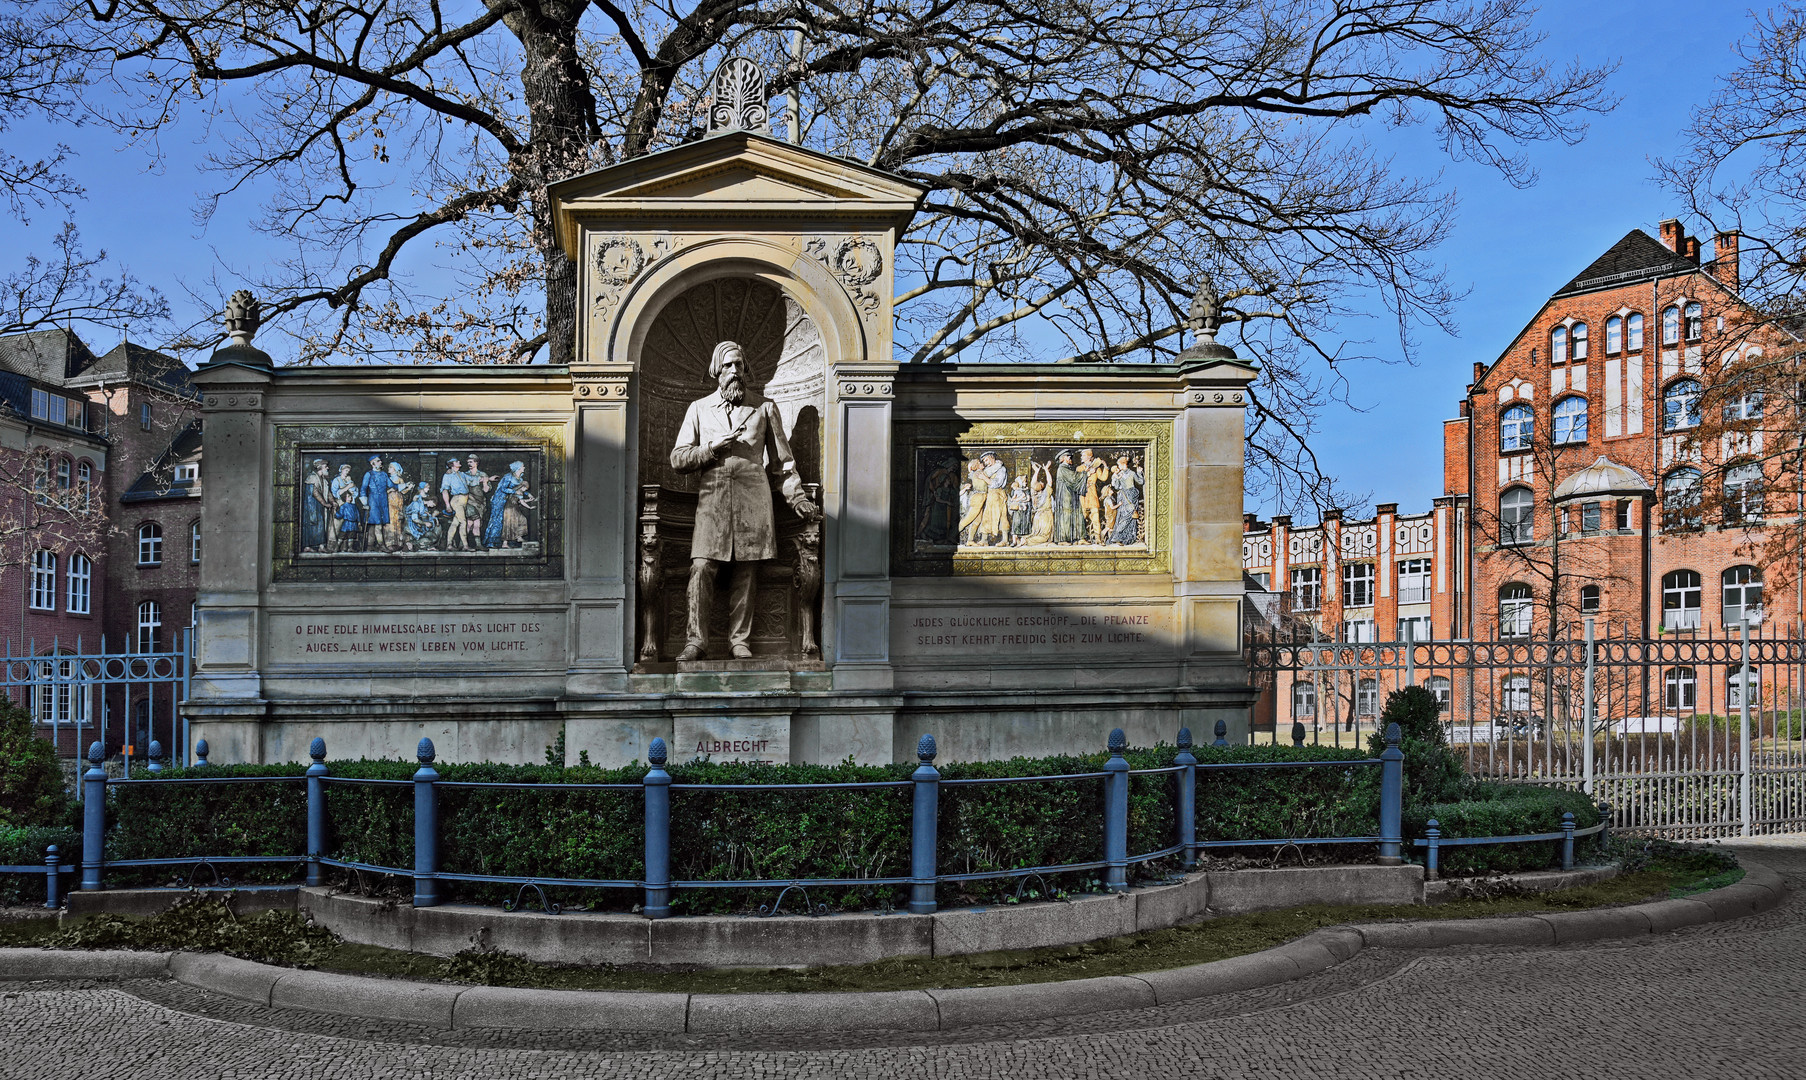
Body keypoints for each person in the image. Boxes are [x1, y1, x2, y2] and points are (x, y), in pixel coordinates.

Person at [668, 340, 818, 661]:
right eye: (728, 366)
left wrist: (798, 499)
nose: (735, 371)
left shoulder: (765, 408)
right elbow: (679, 459)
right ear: (716, 371)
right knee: (701, 568)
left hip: (754, 500)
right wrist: (711, 448)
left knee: (746, 571)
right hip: (713, 501)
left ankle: (740, 640)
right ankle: (695, 641)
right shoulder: (698, 408)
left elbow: (783, 464)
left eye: (739, 365)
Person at [484, 461, 528, 549]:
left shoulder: (521, 479)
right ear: (518, 468)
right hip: (500, 499)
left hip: (509, 501)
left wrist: (527, 496)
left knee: (506, 520)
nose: (524, 468)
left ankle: (509, 540)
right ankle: (490, 542)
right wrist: (514, 491)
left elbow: (521, 490)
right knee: (497, 520)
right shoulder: (508, 476)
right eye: (523, 466)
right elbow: (503, 488)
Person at [357, 454, 395, 551]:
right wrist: (365, 503)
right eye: (378, 461)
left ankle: (370, 546)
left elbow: (391, 485)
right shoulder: (368, 474)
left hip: (383, 500)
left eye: (380, 461)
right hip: (373, 501)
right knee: (377, 524)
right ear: (373, 463)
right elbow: (363, 489)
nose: (380, 462)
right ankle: (382, 545)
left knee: (374, 525)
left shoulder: (384, 474)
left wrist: (404, 485)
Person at [1108, 452, 1143, 545]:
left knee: (1129, 517)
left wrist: (1139, 473)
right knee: (1124, 517)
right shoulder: (1119, 474)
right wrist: (1114, 477)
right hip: (1123, 497)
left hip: (1131, 496)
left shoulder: (1131, 473)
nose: (1118, 466)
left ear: (1123, 464)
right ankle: (1117, 536)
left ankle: (1123, 537)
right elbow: (1116, 486)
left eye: (1119, 464)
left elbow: (1141, 481)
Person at [977, 451, 1010, 545]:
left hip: (998, 494)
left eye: (987, 460)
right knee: (987, 516)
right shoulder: (988, 470)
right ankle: (984, 540)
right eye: (984, 461)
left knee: (1001, 516)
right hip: (990, 495)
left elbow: (997, 483)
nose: (986, 462)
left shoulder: (1001, 469)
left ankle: (1005, 540)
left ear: (992, 457)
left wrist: (984, 478)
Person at [1078, 448, 1110, 543]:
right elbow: (1076, 480)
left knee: (1095, 517)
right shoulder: (1080, 468)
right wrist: (1088, 473)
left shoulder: (1096, 468)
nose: (1081, 457)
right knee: (1082, 516)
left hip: (1092, 494)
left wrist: (1105, 467)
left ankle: (1098, 538)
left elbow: (1103, 478)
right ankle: (1082, 538)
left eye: (1083, 455)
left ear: (1089, 457)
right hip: (1083, 494)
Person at [439, 458, 471, 551]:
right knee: (463, 522)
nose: (459, 462)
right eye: (456, 462)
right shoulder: (448, 475)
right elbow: (444, 490)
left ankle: (449, 545)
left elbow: (473, 479)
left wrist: (488, 479)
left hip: (464, 500)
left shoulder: (462, 474)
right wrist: (447, 505)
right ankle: (465, 546)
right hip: (457, 500)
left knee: (455, 523)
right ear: (451, 464)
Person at [1053, 451, 1083, 544]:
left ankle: (1078, 538)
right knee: (1066, 516)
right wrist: (1086, 474)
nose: (1070, 459)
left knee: (1076, 514)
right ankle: (1063, 539)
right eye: (1068, 457)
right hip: (1065, 495)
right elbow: (1073, 478)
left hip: (1071, 494)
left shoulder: (1068, 468)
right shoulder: (1062, 468)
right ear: (1063, 458)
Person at [302, 459, 331, 552]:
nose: (328, 468)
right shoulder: (312, 477)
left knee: (320, 525)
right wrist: (324, 503)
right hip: (311, 507)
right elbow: (315, 492)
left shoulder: (323, 479)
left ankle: (321, 546)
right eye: (326, 466)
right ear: (320, 467)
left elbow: (327, 492)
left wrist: (333, 501)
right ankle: (307, 547)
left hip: (319, 506)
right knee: (311, 524)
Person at [464, 455, 492, 549]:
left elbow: (486, 490)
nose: (469, 464)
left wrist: (484, 483)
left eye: (471, 462)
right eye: (468, 462)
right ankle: (477, 544)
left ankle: (463, 544)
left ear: (476, 462)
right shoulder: (465, 475)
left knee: (472, 524)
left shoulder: (483, 474)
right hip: (469, 501)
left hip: (480, 503)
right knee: (472, 523)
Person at [1025, 460, 1055, 545]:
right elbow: (1050, 482)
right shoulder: (1046, 493)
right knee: (1044, 536)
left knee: (1036, 534)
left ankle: (1026, 540)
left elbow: (1032, 484)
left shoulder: (1034, 495)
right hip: (1045, 516)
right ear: (1041, 486)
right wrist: (1046, 469)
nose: (1042, 481)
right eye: (1041, 482)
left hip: (1037, 517)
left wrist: (1036, 472)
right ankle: (1027, 541)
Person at [405, 481, 440, 550]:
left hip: (420, 524)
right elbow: (414, 519)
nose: (428, 489)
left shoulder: (424, 503)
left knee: (433, 537)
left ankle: (424, 545)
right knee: (428, 538)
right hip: (413, 525)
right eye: (427, 487)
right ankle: (413, 543)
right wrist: (425, 523)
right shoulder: (416, 503)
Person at [1007, 473, 1032, 545]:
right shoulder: (1015, 490)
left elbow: (1028, 499)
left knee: (1024, 525)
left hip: (1024, 511)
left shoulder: (1026, 490)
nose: (1026, 483)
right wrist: (1015, 500)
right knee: (1016, 524)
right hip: (1017, 510)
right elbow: (1013, 497)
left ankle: (1022, 541)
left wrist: (1020, 500)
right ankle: (1014, 541)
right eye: (1024, 481)